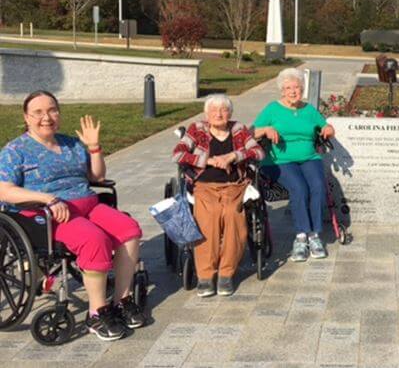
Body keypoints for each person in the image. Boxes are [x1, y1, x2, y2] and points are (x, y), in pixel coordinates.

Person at [0, 91, 146, 341]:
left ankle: (122, 301)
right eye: (38, 112)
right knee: (94, 240)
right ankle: (97, 314)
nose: (46, 117)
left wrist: (93, 147)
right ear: (26, 117)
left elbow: (97, 178)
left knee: (129, 230)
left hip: (87, 205)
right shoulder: (15, 150)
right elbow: (4, 190)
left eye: (52, 110)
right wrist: (48, 199)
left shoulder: (70, 143)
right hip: (47, 214)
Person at [172, 94, 265, 298]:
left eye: (223, 110)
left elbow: (258, 152)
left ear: (230, 113)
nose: (219, 114)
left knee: (233, 217)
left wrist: (233, 156)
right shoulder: (197, 129)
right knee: (209, 218)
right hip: (204, 185)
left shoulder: (238, 129)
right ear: (207, 114)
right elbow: (178, 154)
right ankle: (205, 276)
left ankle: (226, 273)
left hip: (234, 185)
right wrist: (209, 161)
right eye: (214, 111)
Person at [252, 68, 335, 262]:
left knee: (317, 186)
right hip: (279, 160)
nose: (293, 91)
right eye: (288, 87)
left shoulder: (309, 110)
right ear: (282, 90)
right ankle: (300, 237)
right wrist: (266, 129)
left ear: (302, 89)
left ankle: (314, 236)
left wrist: (328, 128)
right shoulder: (272, 108)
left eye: (296, 87)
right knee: (299, 188)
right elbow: (251, 132)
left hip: (308, 157)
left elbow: (324, 126)